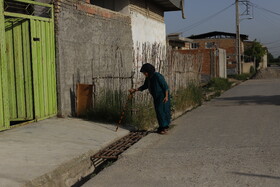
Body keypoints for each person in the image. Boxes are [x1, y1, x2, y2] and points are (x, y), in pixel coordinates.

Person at [129, 63, 171, 134]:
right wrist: (135, 90)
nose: (144, 74)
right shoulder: (148, 78)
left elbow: (165, 87)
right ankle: (162, 127)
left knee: (162, 111)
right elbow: (145, 86)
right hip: (156, 97)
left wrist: (166, 97)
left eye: (145, 73)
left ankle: (164, 128)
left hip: (162, 96)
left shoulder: (158, 76)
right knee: (158, 112)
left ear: (148, 71)